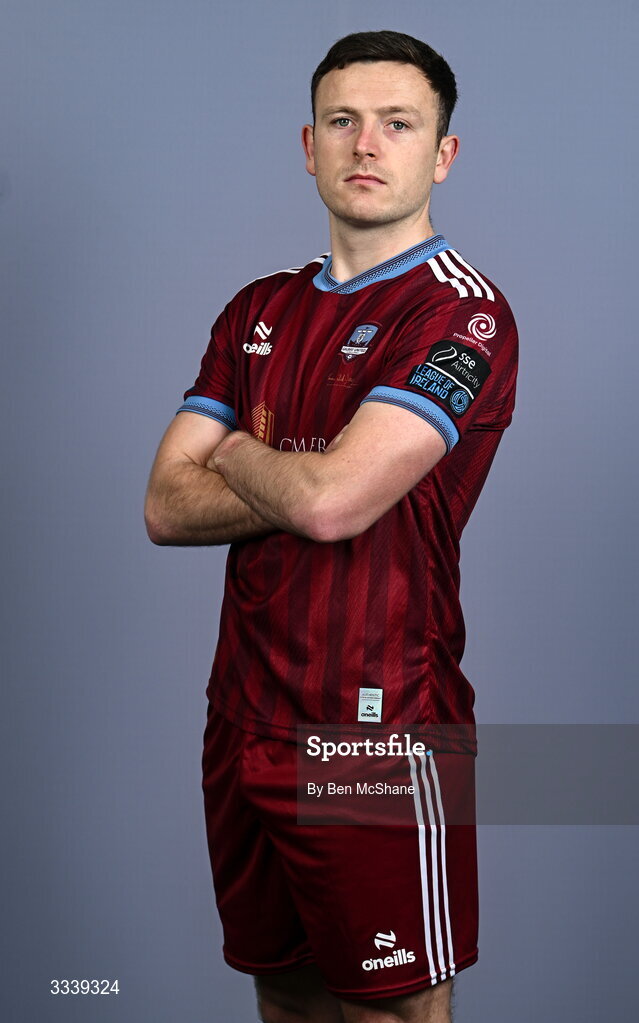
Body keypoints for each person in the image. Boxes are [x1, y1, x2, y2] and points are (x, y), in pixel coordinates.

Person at [145, 29, 518, 1023]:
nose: (367, 143)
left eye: (397, 123)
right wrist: (302, 471)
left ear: (440, 154)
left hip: (376, 735)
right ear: (308, 144)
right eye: (344, 121)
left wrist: (230, 453)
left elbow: (331, 504)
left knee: (389, 1012)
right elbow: (161, 507)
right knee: (290, 998)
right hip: (241, 719)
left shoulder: (461, 317)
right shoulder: (256, 310)